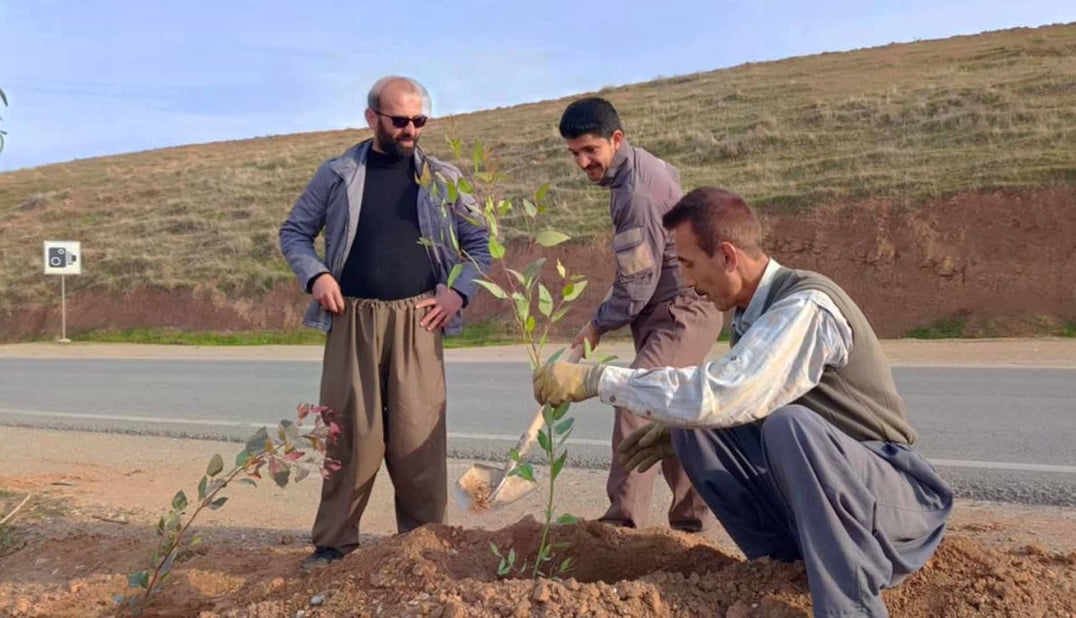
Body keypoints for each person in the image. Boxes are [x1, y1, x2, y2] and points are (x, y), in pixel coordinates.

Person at [532, 187, 953, 617]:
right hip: (841, 506)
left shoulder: (806, 307)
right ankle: (785, 568)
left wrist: (598, 378)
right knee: (698, 429)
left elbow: (724, 392)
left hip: (897, 506)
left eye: (691, 266)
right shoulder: (752, 316)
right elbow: (733, 403)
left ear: (728, 257)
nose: (691, 284)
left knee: (789, 427)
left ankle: (852, 608)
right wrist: (679, 426)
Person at [279, 76, 492, 571]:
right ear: (372, 117)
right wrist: (317, 276)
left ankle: (426, 545)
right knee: (350, 435)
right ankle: (334, 543)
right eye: (400, 120)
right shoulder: (337, 174)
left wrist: (458, 290)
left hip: (418, 319)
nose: (411, 129)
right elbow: (294, 233)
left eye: (420, 121)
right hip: (350, 317)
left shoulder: (443, 178)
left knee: (420, 437)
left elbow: (481, 245)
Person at [557, 96, 722, 532]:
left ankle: (622, 526)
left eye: (591, 150)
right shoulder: (641, 168)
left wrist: (595, 326)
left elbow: (636, 286)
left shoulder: (635, 194)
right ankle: (692, 523)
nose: (583, 163)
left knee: (635, 399)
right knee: (672, 412)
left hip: (680, 310)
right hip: (667, 308)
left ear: (616, 139)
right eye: (575, 153)